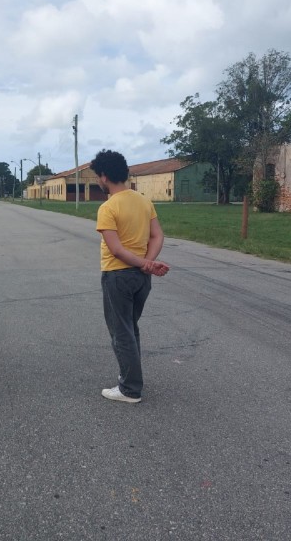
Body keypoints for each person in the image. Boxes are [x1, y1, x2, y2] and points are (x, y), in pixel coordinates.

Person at [90, 149, 170, 404]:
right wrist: (148, 263)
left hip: (118, 275)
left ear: (103, 176)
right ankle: (129, 374)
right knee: (130, 327)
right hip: (140, 277)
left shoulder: (108, 207)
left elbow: (116, 250)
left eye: (97, 177)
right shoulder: (143, 201)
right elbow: (157, 236)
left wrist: (145, 263)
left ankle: (129, 388)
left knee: (120, 331)